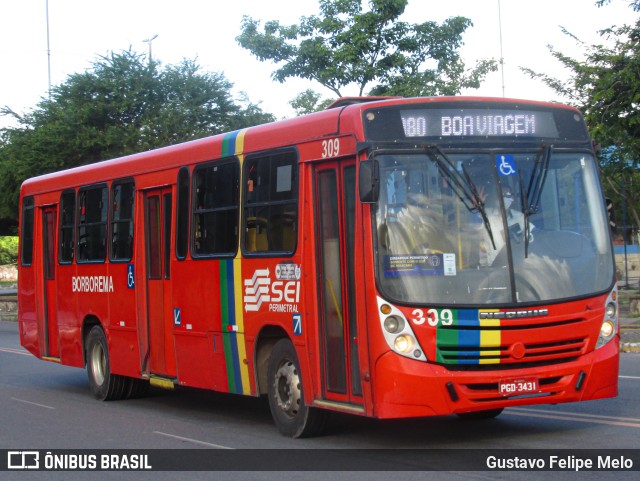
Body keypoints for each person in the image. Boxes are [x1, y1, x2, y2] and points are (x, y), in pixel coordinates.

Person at [477, 184, 534, 266]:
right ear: (496, 199)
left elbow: (533, 236)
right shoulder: (488, 215)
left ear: (512, 198)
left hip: (517, 268)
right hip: (493, 269)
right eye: (501, 195)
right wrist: (477, 206)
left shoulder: (520, 217)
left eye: (507, 195)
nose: (504, 198)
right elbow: (476, 214)